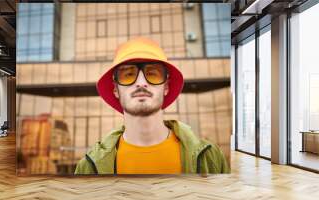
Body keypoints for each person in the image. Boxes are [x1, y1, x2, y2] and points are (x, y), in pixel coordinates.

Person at [75, 37, 229, 174]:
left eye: (152, 73)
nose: (141, 83)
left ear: (166, 87)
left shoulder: (211, 157)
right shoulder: (89, 167)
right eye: (128, 74)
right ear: (115, 89)